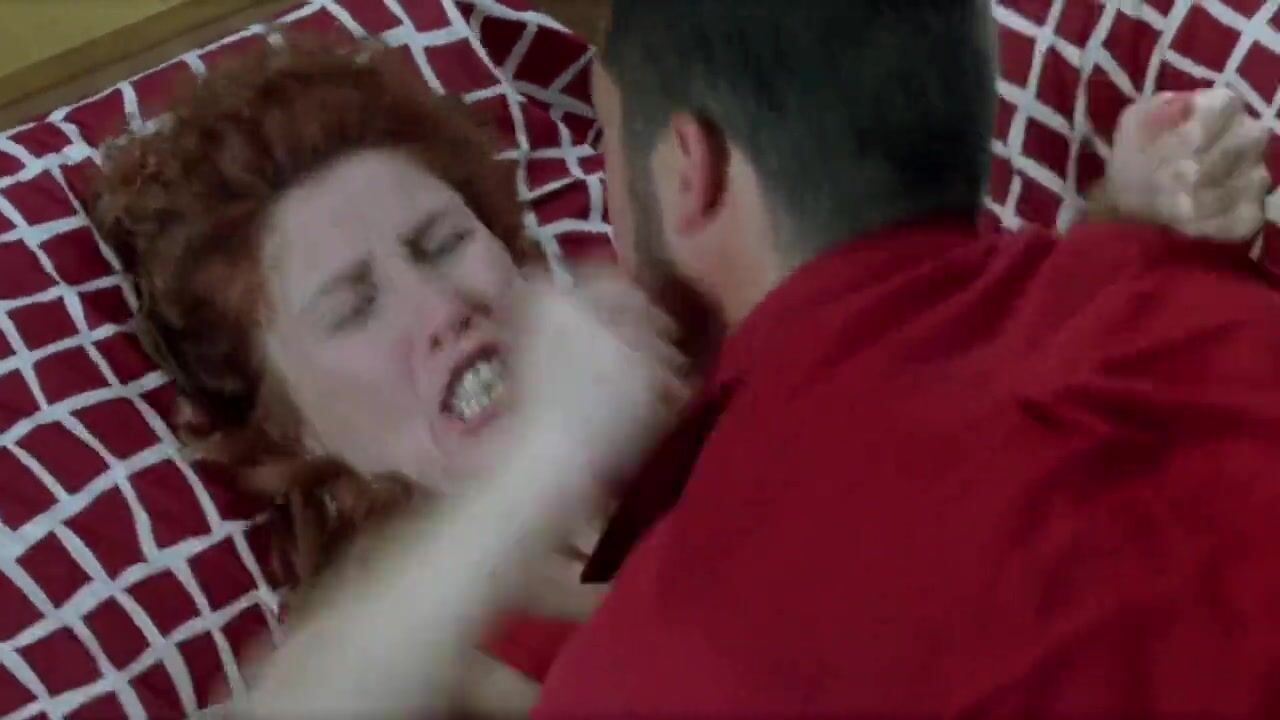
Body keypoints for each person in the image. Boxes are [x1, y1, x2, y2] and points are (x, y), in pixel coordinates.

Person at [95, 12, 1273, 718]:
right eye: (353, 306)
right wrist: (537, 468)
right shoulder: (411, 640)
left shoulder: (704, 366)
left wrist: (1123, 222)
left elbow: (953, 415)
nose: (442, 306)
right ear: (292, 424)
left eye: (442, 243)